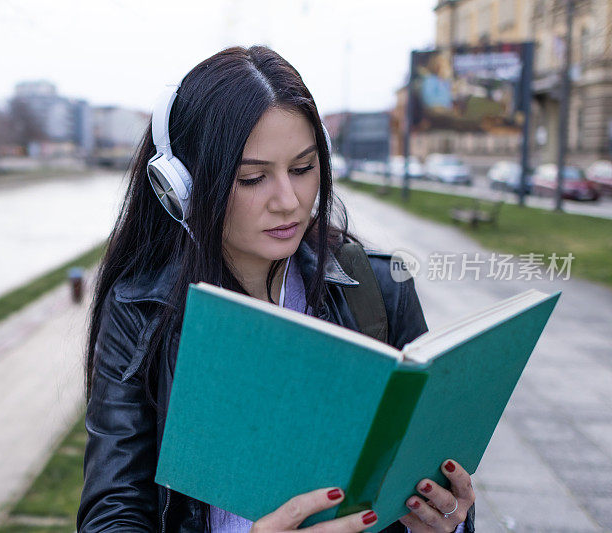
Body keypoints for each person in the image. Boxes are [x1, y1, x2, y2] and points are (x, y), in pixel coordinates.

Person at [77, 45, 476, 532]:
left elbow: (426, 485)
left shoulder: (378, 288)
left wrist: (445, 522)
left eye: (304, 168)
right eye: (252, 178)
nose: (289, 201)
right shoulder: (140, 309)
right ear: (180, 185)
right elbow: (112, 515)